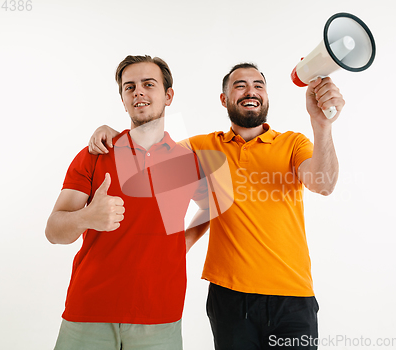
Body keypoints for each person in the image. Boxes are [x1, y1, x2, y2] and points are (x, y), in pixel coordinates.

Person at [89, 63, 345, 350]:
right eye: (240, 85)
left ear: (267, 97)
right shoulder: (202, 147)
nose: (251, 91)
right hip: (229, 299)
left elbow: (324, 184)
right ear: (224, 100)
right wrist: (116, 134)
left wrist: (322, 126)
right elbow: (149, 154)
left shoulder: (293, 144)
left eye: (258, 85)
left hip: (293, 299)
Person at [45, 55, 210, 350]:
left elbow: (211, 208)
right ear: (122, 99)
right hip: (89, 311)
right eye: (129, 87)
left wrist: (179, 244)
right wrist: (86, 218)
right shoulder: (95, 153)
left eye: (149, 84)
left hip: (160, 315)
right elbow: (53, 231)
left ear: (168, 95)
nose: (139, 92)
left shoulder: (188, 161)